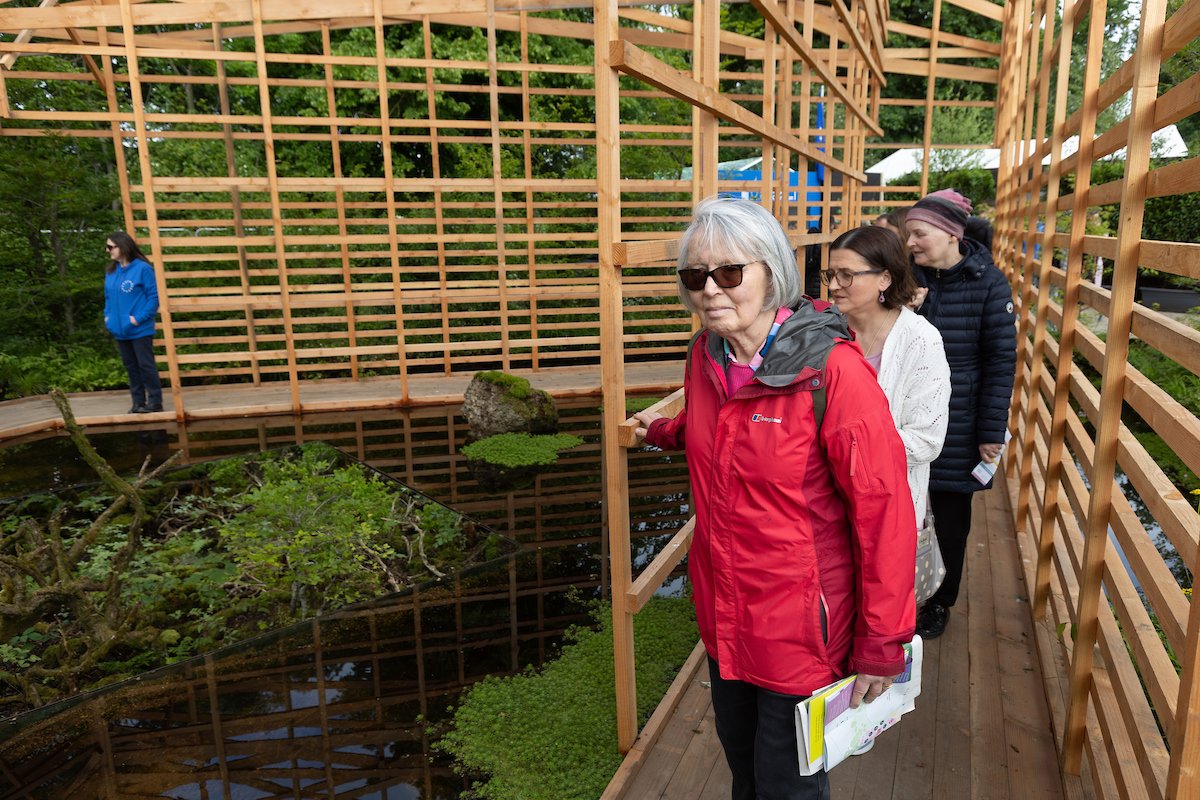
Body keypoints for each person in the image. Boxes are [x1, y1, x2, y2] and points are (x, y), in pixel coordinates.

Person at [633, 197, 916, 800]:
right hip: (725, 616)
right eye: (695, 275)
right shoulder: (707, 357)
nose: (711, 289)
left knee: (788, 787)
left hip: (801, 630)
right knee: (745, 774)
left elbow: (885, 514)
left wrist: (881, 643)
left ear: (773, 272)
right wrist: (659, 431)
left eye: (730, 272)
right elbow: (718, 432)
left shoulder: (831, 373)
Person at [905, 189, 1016, 639]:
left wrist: (991, 432)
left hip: (961, 419)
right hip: (907, 413)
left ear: (951, 233)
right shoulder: (904, 278)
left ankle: (938, 601)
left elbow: (1000, 361)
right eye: (908, 233)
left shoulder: (989, 284)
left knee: (951, 520)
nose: (910, 242)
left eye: (919, 233)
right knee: (900, 511)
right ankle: (897, 596)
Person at [826, 225, 950, 532]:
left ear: (885, 277)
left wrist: (847, 449)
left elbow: (926, 442)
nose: (833, 286)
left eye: (846, 275)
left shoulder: (921, 340)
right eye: (830, 274)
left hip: (890, 507)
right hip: (827, 502)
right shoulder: (824, 330)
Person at [103, 231, 163, 413]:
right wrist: (108, 317)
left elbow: (153, 298)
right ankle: (138, 402)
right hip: (120, 330)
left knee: (145, 366)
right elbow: (107, 297)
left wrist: (138, 319)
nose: (108, 251)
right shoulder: (112, 271)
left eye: (111, 247)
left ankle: (155, 402)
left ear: (123, 246)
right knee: (131, 368)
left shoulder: (142, 269)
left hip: (140, 329)